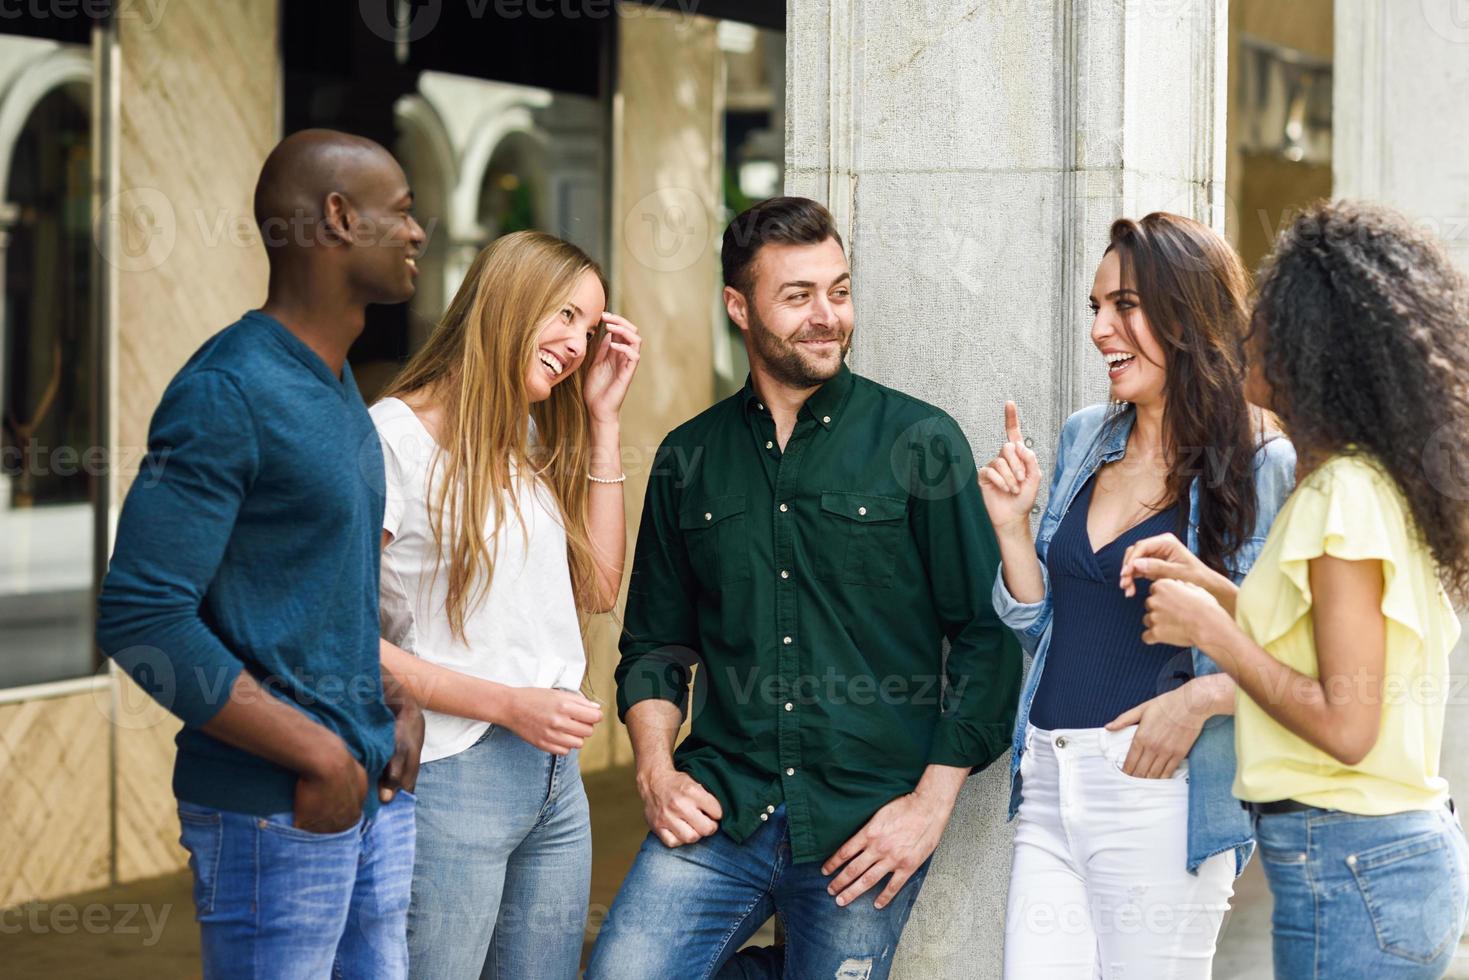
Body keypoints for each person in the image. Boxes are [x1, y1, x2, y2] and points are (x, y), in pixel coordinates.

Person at [585, 196, 1022, 980]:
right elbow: (654, 646)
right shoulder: (689, 457)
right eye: (798, 296)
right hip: (722, 806)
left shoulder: (919, 441)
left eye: (839, 290)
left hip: (865, 826)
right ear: (738, 307)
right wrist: (655, 772)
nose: (827, 316)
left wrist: (929, 806)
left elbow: (986, 636)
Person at [95, 129, 428, 979]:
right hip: (274, 810)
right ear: (339, 219)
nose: (418, 233)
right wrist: (313, 752)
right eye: (402, 213)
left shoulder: (334, 380)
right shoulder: (228, 389)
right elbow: (140, 617)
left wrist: (393, 696)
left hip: (365, 792)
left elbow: (306, 587)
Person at [1131, 200, 1469, 979]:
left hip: (1348, 860)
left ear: (1318, 348)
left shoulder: (1339, 500)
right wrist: (1209, 588)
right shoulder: (1366, 485)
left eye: (1270, 318)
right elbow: (1316, 642)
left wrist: (1208, 635)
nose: (1247, 333)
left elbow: (1346, 722)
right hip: (1364, 860)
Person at [983, 213, 1296, 977]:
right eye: (1095, 308)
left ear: (1187, 313)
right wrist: (1013, 531)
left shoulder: (1261, 461)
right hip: (1048, 780)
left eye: (1123, 305)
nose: (1099, 329)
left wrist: (1197, 701)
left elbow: (1293, 650)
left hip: (1160, 790)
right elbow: (1045, 628)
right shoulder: (1086, 435)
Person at [368, 230, 640, 978]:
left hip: (553, 781)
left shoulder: (520, 441)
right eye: (564, 315)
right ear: (507, 301)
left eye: (589, 329)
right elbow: (343, 637)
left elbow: (597, 588)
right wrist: (508, 705)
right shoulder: (392, 438)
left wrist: (603, 423)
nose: (578, 343)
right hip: (452, 772)